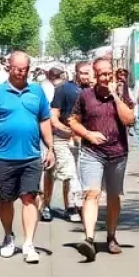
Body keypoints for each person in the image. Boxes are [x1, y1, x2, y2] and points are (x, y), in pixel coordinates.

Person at [0, 50, 54, 264]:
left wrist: (50, 147)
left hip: (31, 156)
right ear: (8, 67)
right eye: (17, 68)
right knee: (5, 201)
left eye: (25, 69)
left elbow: (44, 120)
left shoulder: (37, 91)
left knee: (29, 198)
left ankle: (29, 243)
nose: (21, 73)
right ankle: (8, 235)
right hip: (3, 156)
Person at [68, 57, 136, 261]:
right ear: (95, 76)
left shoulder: (123, 94)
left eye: (109, 74)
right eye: (102, 74)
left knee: (113, 196)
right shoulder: (85, 96)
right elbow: (72, 120)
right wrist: (88, 135)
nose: (106, 78)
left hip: (118, 152)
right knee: (92, 193)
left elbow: (129, 120)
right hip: (92, 153)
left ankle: (111, 236)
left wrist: (115, 95)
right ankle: (89, 239)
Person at [43, 61, 92, 224]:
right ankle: (46, 205)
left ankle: (70, 206)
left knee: (71, 174)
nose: (86, 76)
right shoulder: (64, 89)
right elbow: (53, 117)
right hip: (61, 138)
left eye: (88, 73)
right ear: (76, 73)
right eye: (83, 73)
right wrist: (68, 131)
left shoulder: (92, 91)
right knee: (59, 172)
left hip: (83, 139)